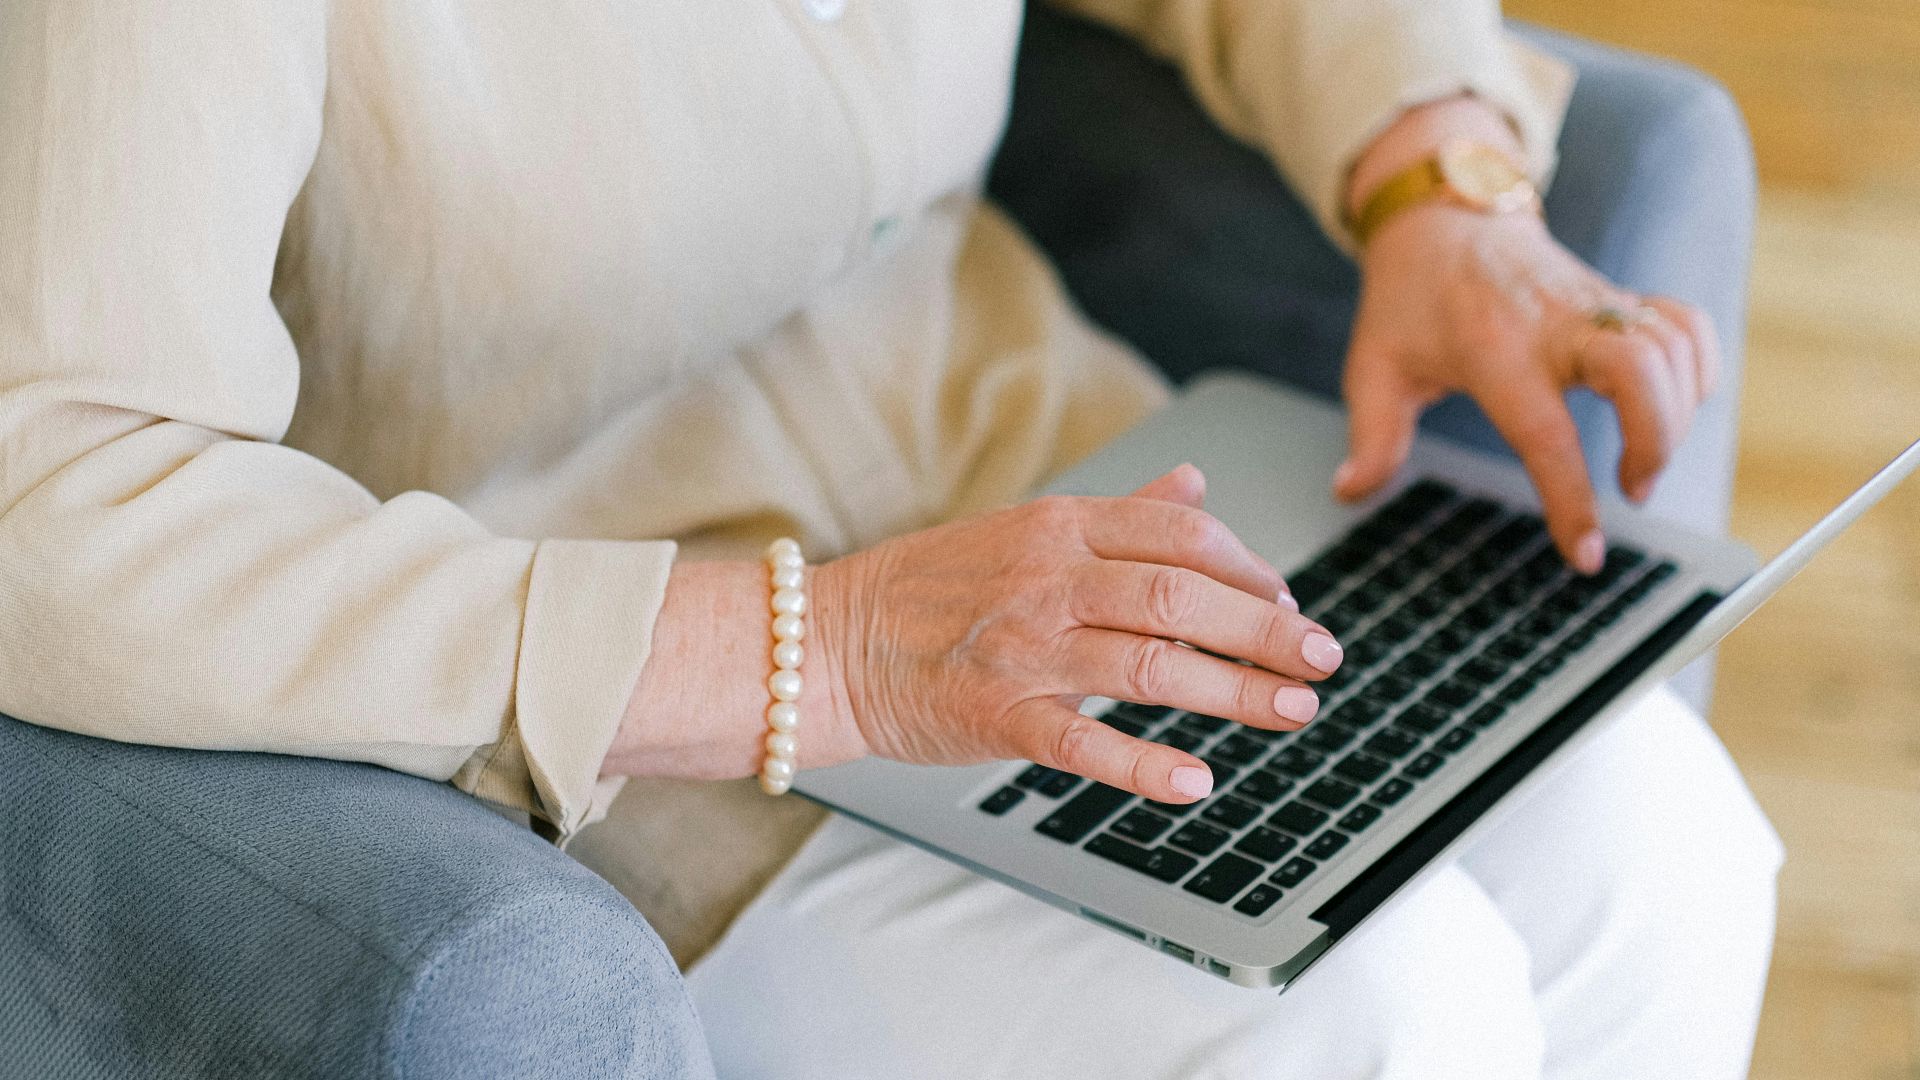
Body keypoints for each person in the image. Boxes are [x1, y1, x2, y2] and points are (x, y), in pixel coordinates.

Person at [0, 0, 1780, 1075]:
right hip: (603, 665)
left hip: (1045, 468)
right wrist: (815, 651)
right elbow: (49, 483)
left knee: (1664, 843)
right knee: (1374, 1022)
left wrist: (1433, 168)